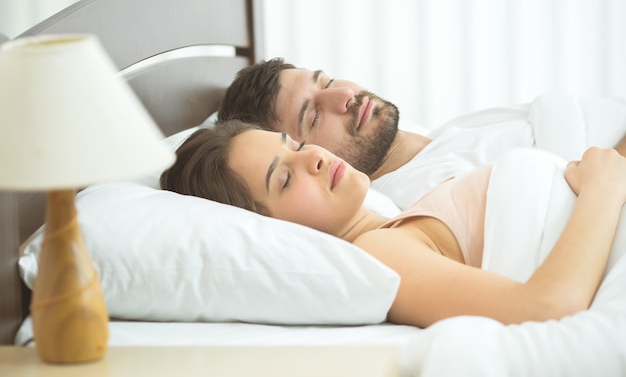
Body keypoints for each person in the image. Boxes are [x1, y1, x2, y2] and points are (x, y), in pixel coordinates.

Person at [160, 120, 626, 328]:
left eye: (296, 147)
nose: (316, 159)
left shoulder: (400, 213)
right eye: (284, 178)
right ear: (271, 229)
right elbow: (545, 309)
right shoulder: (381, 254)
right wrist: (606, 187)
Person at [218, 58, 626, 210]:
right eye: (313, 116)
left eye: (325, 81)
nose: (344, 96)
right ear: (301, 155)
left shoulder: (446, 133)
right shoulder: (423, 197)